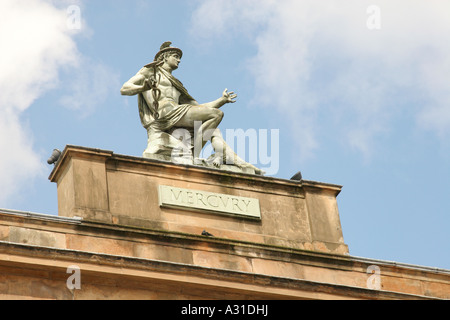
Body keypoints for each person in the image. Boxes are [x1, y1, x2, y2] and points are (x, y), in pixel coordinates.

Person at [121, 42, 262, 174]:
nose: (179, 60)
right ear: (164, 57)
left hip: (178, 112)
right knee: (216, 115)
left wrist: (222, 100)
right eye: (176, 56)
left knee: (214, 129)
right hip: (165, 114)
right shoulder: (150, 72)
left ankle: (238, 163)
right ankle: (194, 156)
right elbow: (125, 88)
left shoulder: (176, 83)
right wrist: (143, 87)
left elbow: (198, 108)